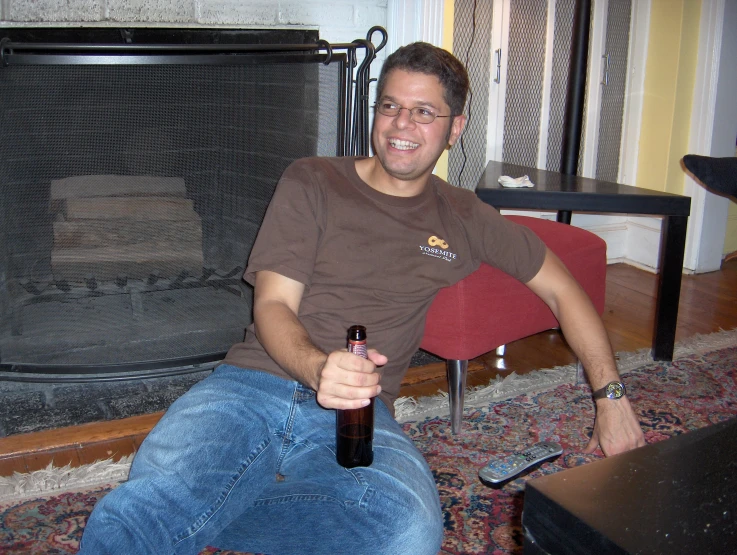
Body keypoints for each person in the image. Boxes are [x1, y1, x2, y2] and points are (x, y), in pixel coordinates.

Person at [79, 42, 645, 555]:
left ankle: (207, 510)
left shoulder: (467, 217)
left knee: (406, 532)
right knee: (143, 513)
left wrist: (611, 397)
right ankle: (187, 506)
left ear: (455, 128)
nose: (402, 124)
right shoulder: (314, 179)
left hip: (361, 416)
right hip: (251, 384)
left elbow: (564, 289)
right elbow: (273, 306)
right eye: (391, 106)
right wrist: (318, 366)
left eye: (425, 112)